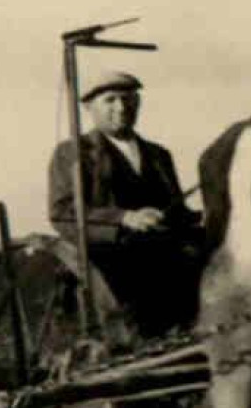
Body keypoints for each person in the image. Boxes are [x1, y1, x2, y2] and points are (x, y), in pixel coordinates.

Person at [48, 71, 202, 338]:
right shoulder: (73, 153)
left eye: (129, 100)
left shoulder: (158, 155)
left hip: (166, 257)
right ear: (89, 107)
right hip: (112, 264)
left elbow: (178, 214)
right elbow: (63, 214)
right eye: (110, 100)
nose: (121, 108)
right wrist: (124, 218)